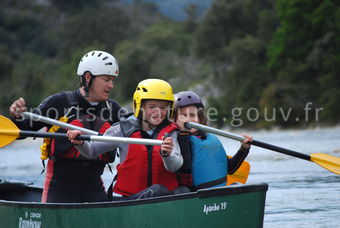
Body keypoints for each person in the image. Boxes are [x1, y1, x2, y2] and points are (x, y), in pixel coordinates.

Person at [9, 50, 121, 203]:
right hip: (59, 189)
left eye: (113, 80)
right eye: (107, 79)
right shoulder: (59, 102)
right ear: (88, 78)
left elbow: (134, 132)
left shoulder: (113, 109)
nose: (111, 85)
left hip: (94, 189)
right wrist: (16, 116)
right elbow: (22, 131)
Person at [67, 79, 187, 199]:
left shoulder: (171, 133)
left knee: (182, 191)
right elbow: (91, 151)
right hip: (131, 200)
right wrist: (80, 143)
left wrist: (167, 154)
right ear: (140, 106)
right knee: (156, 191)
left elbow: (174, 167)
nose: (158, 112)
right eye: (152, 107)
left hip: (162, 199)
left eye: (163, 107)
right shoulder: (122, 130)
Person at [173, 91, 253, 190]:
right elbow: (186, 168)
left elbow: (230, 169)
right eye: (183, 116)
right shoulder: (176, 141)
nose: (188, 119)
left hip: (216, 192)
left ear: (200, 118)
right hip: (193, 193)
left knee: (237, 185)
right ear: (175, 120)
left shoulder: (210, 139)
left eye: (192, 115)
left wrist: (244, 149)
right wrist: (184, 133)